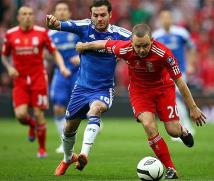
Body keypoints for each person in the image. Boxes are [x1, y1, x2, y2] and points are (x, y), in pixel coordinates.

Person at [76, 24, 206, 179]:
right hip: (140, 92)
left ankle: (182, 131)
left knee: (173, 130)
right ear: (131, 42)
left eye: (145, 45)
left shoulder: (164, 53)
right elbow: (103, 44)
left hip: (163, 89)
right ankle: (171, 168)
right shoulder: (124, 48)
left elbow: (180, 82)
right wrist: (84, 46)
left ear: (152, 40)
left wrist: (193, 108)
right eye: (138, 46)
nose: (142, 50)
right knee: (148, 125)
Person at [46, 0, 131, 176]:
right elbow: (61, 25)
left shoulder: (120, 34)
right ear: (90, 15)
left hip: (103, 88)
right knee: (69, 127)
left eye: (103, 15)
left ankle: (84, 154)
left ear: (110, 15)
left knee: (96, 110)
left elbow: (142, 40)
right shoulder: (84, 26)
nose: (99, 19)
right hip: (81, 88)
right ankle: (68, 158)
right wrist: (53, 23)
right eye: (96, 15)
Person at [1, 6, 70, 158]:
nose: (27, 17)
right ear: (18, 17)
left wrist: (62, 66)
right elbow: (4, 55)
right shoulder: (11, 34)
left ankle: (42, 149)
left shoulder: (42, 33)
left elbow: (54, 52)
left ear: (33, 17)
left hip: (38, 78)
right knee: (20, 115)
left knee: (39, 113)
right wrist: (9, 67)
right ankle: (31, 125)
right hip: (19, 80)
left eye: (30, 14)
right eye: (24, 14)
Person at [152, 10, 197, 137]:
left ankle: (184, 128)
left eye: (168, 17)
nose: (166, 20)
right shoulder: (156, 35)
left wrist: (191, 64)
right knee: (176, 100)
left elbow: (192, 48)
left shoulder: (181, 33)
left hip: (180, 71)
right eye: (163, 18)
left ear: (171, 19)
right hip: (164, 74)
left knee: (176, 98)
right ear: (160, 20)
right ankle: (185, 127)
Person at [49, 1, 81, 154]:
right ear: (55, 13)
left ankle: (94, 121)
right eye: (58, 10)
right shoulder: (50, 34)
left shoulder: (76, 30)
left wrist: (80, 57)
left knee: (79, 107)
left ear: (69, 13)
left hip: (77, 73)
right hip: (60, 74)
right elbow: (47, 54)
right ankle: (64, 142)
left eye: (64, 10)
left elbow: (88, 48)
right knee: (58, 108)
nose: (61, 12)